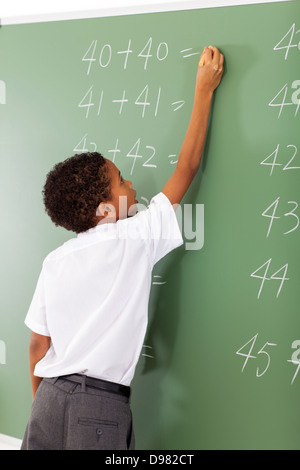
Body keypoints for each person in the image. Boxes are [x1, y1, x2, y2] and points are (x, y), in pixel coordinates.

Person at [21, 46, 224, 450]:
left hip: (48, 396)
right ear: (104, 210)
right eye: (122, 181)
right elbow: (187, 167)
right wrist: (204, 90)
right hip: (98, 406)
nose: (132, 186)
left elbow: (37, 346)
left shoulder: (54, 261)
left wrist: (46, 405)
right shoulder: (132, 238)